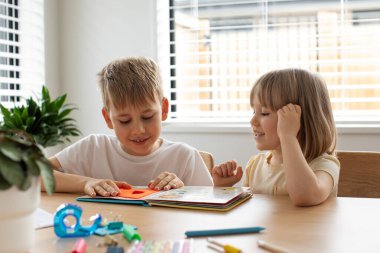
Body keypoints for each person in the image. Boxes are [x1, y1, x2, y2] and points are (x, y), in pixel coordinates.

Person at [45, 57, 213, 197]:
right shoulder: (93, 148)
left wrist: (183, 191)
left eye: (147, 117)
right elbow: (31, 174)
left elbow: (210, 202)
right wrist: (86, 182)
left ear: (163, 109)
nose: (138, 130)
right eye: (125, 120)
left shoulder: (184, 157)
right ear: (108, 118)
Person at [212, 68, 340, 206]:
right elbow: (247, 212)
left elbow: (305, 196)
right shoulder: (255, 166)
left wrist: (288, 136)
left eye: (264, 113)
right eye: (254, 111)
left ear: (299, 119)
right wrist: (223, 189)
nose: (253, 121)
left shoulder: (324, 165)